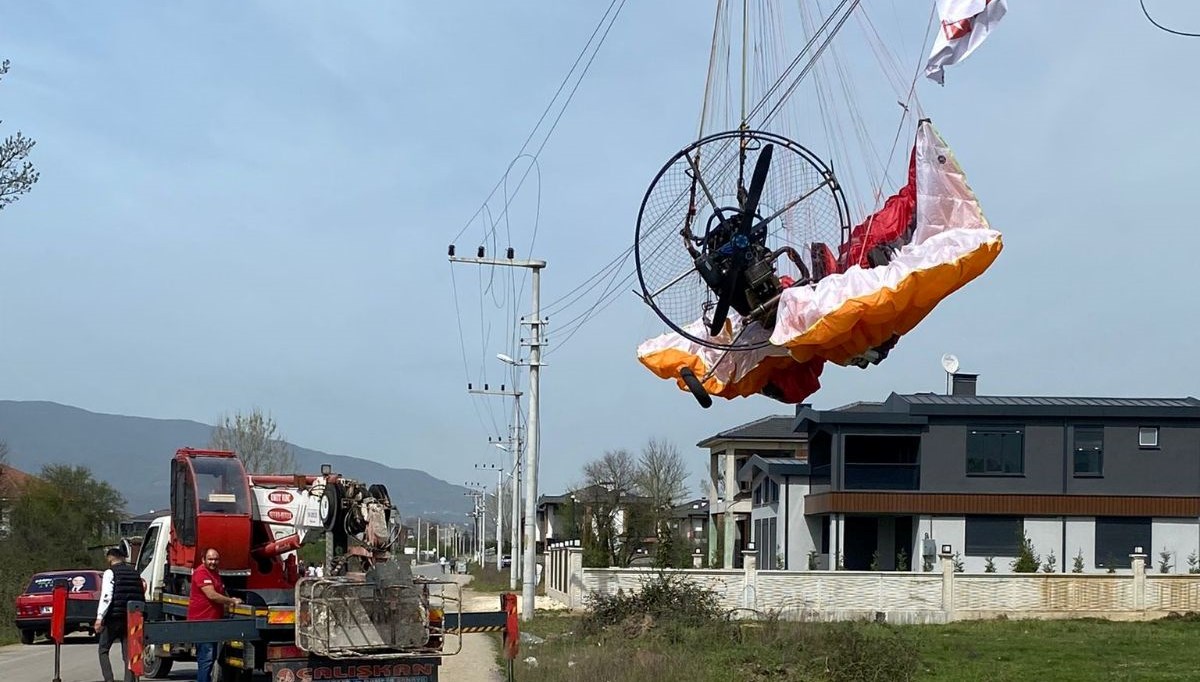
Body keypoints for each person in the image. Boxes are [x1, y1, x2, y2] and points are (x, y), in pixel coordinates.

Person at [188, 548, 242, 682]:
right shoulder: (201, 572)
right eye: (210, 559)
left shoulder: (215, 573)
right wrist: (231, 601)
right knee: (206, 657)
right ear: (203, 560)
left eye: (216, 559)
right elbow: (212, 595)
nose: (213, 562)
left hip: (213, 621)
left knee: (210, 658)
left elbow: (220, 591)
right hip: (202, 621)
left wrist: (230, 598)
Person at [94, 547, 141, 682]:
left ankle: (109, 679)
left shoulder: (110, 573)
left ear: (110, 558)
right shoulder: (135, 572)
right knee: (128, 653)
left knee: (103, 649)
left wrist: (99, 618)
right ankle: (129, 679)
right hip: (132, 617)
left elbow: (107, 596)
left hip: (114, 618)